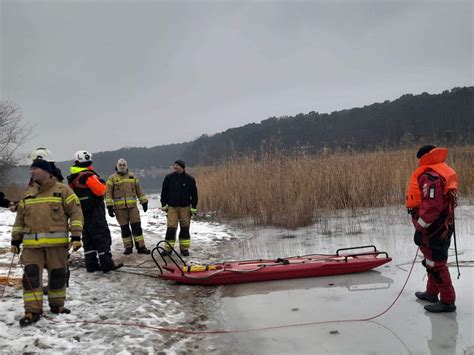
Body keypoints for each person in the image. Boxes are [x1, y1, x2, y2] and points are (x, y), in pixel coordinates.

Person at [11, 158, 83, 326]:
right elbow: (19, 219)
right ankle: (32, 311)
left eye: (35, 169)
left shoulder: (63, 191)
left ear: (46, 171)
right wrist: (15, 240)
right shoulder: (29, 193)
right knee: (31, 277)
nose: (32, 172)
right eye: (31, 169)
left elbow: (76, 214)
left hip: (56, 246)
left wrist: (76, 236)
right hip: (31, 247)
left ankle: (57, 305)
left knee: (58, 275)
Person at [406, 145, 458, 313]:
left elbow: (432, 207)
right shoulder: (440, 171)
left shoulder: (430, 176)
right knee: (430, 260)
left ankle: (448, 301)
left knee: (437, 262)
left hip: (435, 228)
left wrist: (420, 228)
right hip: (439, 225)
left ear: (422, 158)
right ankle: (431, 292)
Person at [67, 150, 123, 273]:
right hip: (94, 212)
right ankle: (107, 264)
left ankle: (91, 264)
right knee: (101, 237)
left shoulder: (73, 177)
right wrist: (102, 183)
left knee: (88, 238)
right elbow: (100, 190)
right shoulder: (88, 175)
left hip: (81, 212)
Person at [105, 158, 150, 255]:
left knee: (137, 228)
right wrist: (109, 207)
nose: (122, 166)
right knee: (125, 229)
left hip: (133, 208)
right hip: (120, 209)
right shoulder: (112, 178)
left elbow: (139, 191)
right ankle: (128, 247)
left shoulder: (132, 177)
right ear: (117, 166)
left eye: (123, 165)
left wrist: (144, 202)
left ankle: (141, 247)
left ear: (127, 166)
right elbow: (108, 194)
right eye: (120, 165)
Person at [160, 160, 198, 256]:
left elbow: (194, 194)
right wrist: (163, 204)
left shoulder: (190, 179)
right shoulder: (169, 178)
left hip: (185, 207)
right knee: (171, 228)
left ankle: (184, 249)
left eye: (177, 165)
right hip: (172, 207)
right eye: (174, 165)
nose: (175, 167)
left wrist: (194, 207)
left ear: (182, 167)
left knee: (185, 228)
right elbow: (164, 192)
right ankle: (168, 249)